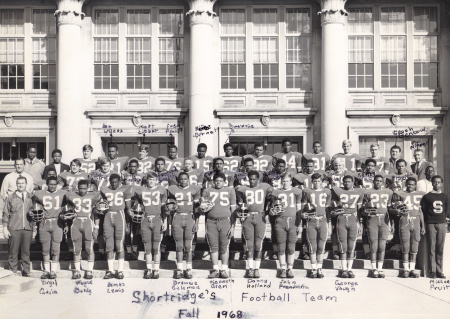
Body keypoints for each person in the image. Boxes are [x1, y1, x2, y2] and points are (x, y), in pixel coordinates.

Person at [129, 171, 167, 279]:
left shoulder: (161, 190)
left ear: (157, 180)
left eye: (153, 179)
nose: (151, 181)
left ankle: (156, 269)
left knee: (156, 247)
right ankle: (149, 269)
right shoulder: (141, 190)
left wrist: (165, 221)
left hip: (157, 219)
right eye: (149, 179)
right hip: (145, 219)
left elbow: (164, 209)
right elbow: (137, 205)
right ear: (147, 180)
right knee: (147, 247)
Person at [236, 170, 272, 278]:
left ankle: (257, 269)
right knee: (249, 245)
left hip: (260, 217)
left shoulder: (264, 187)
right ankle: (250, 268)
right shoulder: (243, 189)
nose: (252, 181)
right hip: (248, 217)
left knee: (258, 244)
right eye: (250, 179)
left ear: (258, 179)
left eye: (254, 179)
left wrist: (267, 210)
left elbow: (272, 198)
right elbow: (240, 203)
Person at [202, 172, 237, 279]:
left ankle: (224, 270)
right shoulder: (207, 191)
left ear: (224, 182)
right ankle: (215, 269)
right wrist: (203, 208)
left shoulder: (230, 190)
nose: (218, 183)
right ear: (213, 181)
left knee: (224, 247)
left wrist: (233, 226)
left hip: (225, 221)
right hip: (211, 221)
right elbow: (202, 208)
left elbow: (233, 209)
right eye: (216, 181)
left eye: (220, 181)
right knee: (213, 247)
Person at [64, 180, 101, 279]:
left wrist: (96, 227)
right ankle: (77, 270)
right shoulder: (72, 196)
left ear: (88, 188)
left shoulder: (93, 196)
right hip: (76, 222)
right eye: (80, 188)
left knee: (89, 248)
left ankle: (89, 270)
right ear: (77, 188)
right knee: (76, 249)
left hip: (88, 222)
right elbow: (66, 193)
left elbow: (96, 213)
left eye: (85, 188)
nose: (82, 190)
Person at [167, 172, 201, 279]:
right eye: (181, 179)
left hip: (189, 217)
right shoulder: (173, 189)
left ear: (188, 179)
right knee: (179, 246)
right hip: (177, 217)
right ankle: (180, 269)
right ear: (178, 180)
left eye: (185, 179)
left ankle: (189, 269)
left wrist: (197, 222)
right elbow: (169, 208)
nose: (183, 181)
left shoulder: (194, 189)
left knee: (188, 246)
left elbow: (197, 209)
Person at [33, 176, 67, 279]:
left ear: (57, 184)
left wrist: (65, 224)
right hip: (45, 222)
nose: (52, 186)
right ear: (47, 184)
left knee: (56, 248)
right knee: (45, 248)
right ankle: (46, 271)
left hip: (57, 222)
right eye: (50, 184)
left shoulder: (62, 193)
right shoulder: (40, 193)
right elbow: (33, 203)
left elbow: (66, 209)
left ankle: (53, 271)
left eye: (54, 184)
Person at [390, 177, 425, 278]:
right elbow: (394, 209)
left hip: (416, 221)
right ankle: (406, 269)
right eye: (408, 184)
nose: (410, 186)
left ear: (415, 185)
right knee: (405, 246)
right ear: (406, 184)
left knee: (414, 246)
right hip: (404, 221)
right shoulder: (401, 194)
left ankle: (412, 269)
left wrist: (423, 225)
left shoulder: (420, 194)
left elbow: (420, 212)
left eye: (412, 184)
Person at [100, 174, 133, 279]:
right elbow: (102, 206)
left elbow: (128, 209)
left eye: (116, 182)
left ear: (119, 181)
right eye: (112, 182)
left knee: (119, 243)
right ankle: (110, 270)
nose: (114, 184)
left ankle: (120, 270)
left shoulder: (125, 189)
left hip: (120, 215)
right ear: (109, 181)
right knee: (109, 244)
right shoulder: (105, 190)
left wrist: (127, 224)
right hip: (108, 215)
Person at [331, 175, 364, 278]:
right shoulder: (338, 191)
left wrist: (360, 223)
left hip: (353, 219)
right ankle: (344, 269)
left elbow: (359, 210)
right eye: (345, 182)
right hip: (341, 218)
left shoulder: (359, 192)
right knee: (343, 246)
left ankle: (350, 269)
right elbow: (333, 205)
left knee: (351, 246)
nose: (346, 183)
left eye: (349, 182)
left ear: (353, 182)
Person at [271, 173, 302, 278]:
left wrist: (300, 223)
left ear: (291, 182)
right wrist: (273, 212)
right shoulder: (276, 192)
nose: (285, 183)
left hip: (293, 221)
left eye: (287, 181)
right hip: (280, 220)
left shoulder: (297, 192)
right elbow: (271, 210)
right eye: (283, 181)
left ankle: (290, 268)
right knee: (281, 246)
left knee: (291, 246)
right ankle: (283, 268)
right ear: (281, 182)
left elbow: (298, 209)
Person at [362, 175, 393, 278]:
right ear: (373, 181)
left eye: (380, 181)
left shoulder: (388, 192)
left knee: (382, 246)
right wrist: (367, 213)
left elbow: (389, 209)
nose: (378, 182)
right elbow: (363, 209)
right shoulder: (367, 192)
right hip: (372, 219)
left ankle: (380, 268)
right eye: (376, 181)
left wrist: (391, 223)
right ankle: (374, 268)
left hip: (384, 219)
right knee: (374, 245)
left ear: (382, 182)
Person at [2, 176, 34, 277]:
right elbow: (6, 214)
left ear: (26, 184)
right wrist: (4, 228)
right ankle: (13, 270)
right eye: (19, 183)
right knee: (13, 251)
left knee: (26, 251)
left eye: (22, 183)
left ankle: (26, 270)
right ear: (16, 184)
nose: (21, 185)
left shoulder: (31, 197)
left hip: (27, 228)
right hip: (14, 228)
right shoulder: (11, 197)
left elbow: (35, 213)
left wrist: (35, 227)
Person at [301, 173, 331, 278]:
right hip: (311, 220)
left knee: (321, 246)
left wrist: (329, 224)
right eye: (315, 181)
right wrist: (303, 215)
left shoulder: (327, 192)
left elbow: (328, 210)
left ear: (322, 182)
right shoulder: (307, 191)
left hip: (323, 220)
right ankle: (313, 268)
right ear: (311, 182)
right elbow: (303, 208)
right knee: (312, 246)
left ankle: (319, 268)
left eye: (318, 181)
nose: (317, 183)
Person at [420, 175, 449, 279]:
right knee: (431, 248)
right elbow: (422, 212)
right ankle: (432, 271)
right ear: (432, 183)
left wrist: (445, 221)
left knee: (440, 248)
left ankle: (439, 271)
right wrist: (423, 225)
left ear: (441, 183)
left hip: (441, 223)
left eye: (438, 182)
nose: (436, 184)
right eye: (435, 182)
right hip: (430, 223)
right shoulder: (427, 197)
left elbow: (446, 211)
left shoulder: (445, 196)